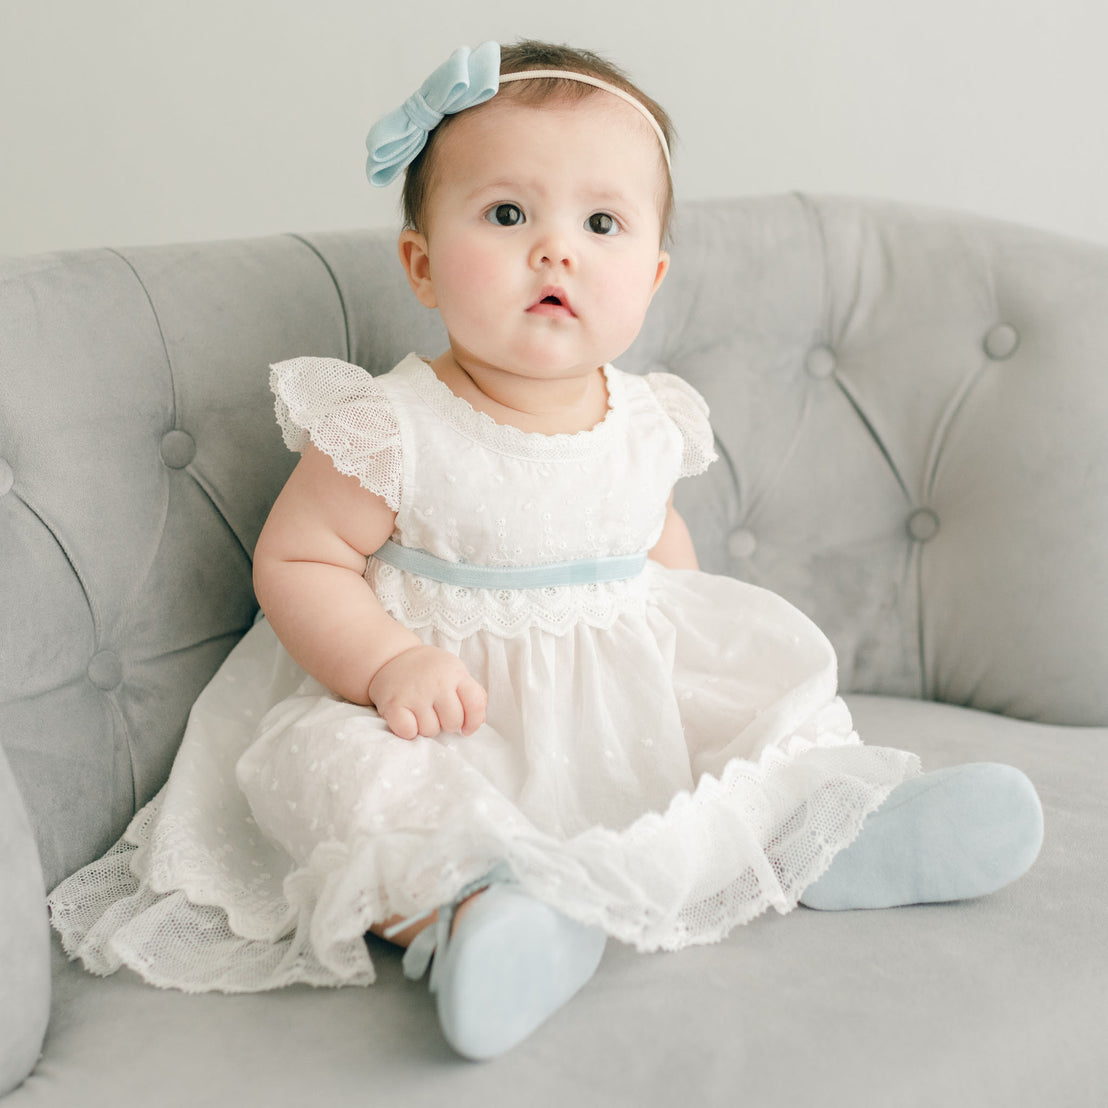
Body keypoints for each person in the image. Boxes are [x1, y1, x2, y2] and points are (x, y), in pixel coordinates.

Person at [48, 39, 1044, 1062]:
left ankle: (837, 827)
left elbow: (659, 549)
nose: (554, 250)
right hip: (444, 719)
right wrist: (386, 662)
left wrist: (689, 652)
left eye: (600, 222)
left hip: (618, 707)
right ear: (422, 264)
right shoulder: (393, 425)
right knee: (336, 774)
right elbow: (297, 564)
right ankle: (480, 915)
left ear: (650, 276)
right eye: (508, 214)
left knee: (755, 704)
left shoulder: (648, 419)